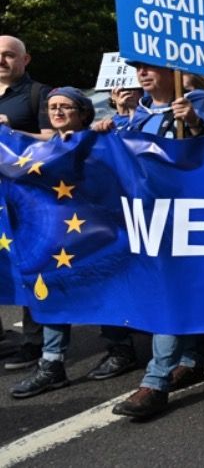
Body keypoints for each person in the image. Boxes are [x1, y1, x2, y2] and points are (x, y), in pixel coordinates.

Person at [96, 62, 204, 419]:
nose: (142, 74)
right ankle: (189, 360)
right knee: (170, 290)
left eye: (151, 67)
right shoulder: (138, 114)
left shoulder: (196, 101)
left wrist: (197, 122)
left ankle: (155, 382)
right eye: (138, 69)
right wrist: (107, 128)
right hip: (148, 217)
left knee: (168, 292)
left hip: (189, 214)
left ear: (173, 71)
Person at [8, 88, 139, 398]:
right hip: (56, 241)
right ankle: (52, 364)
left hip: (97, 236)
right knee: (55, 295)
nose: (57, 112)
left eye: (66, 107)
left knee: (104, 293)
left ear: (83, 113)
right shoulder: (39, 151)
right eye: (53, 107)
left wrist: (114, 120)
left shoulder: (99, 142)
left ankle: (121, 349)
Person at [0, 35, 53, 368]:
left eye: (8, 55)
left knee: (28, 267)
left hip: (23, 199)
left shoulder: (40, 94)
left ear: (25, 59)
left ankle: (34, 341)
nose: (1, 61)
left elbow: (53, 138)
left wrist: (14, 132)